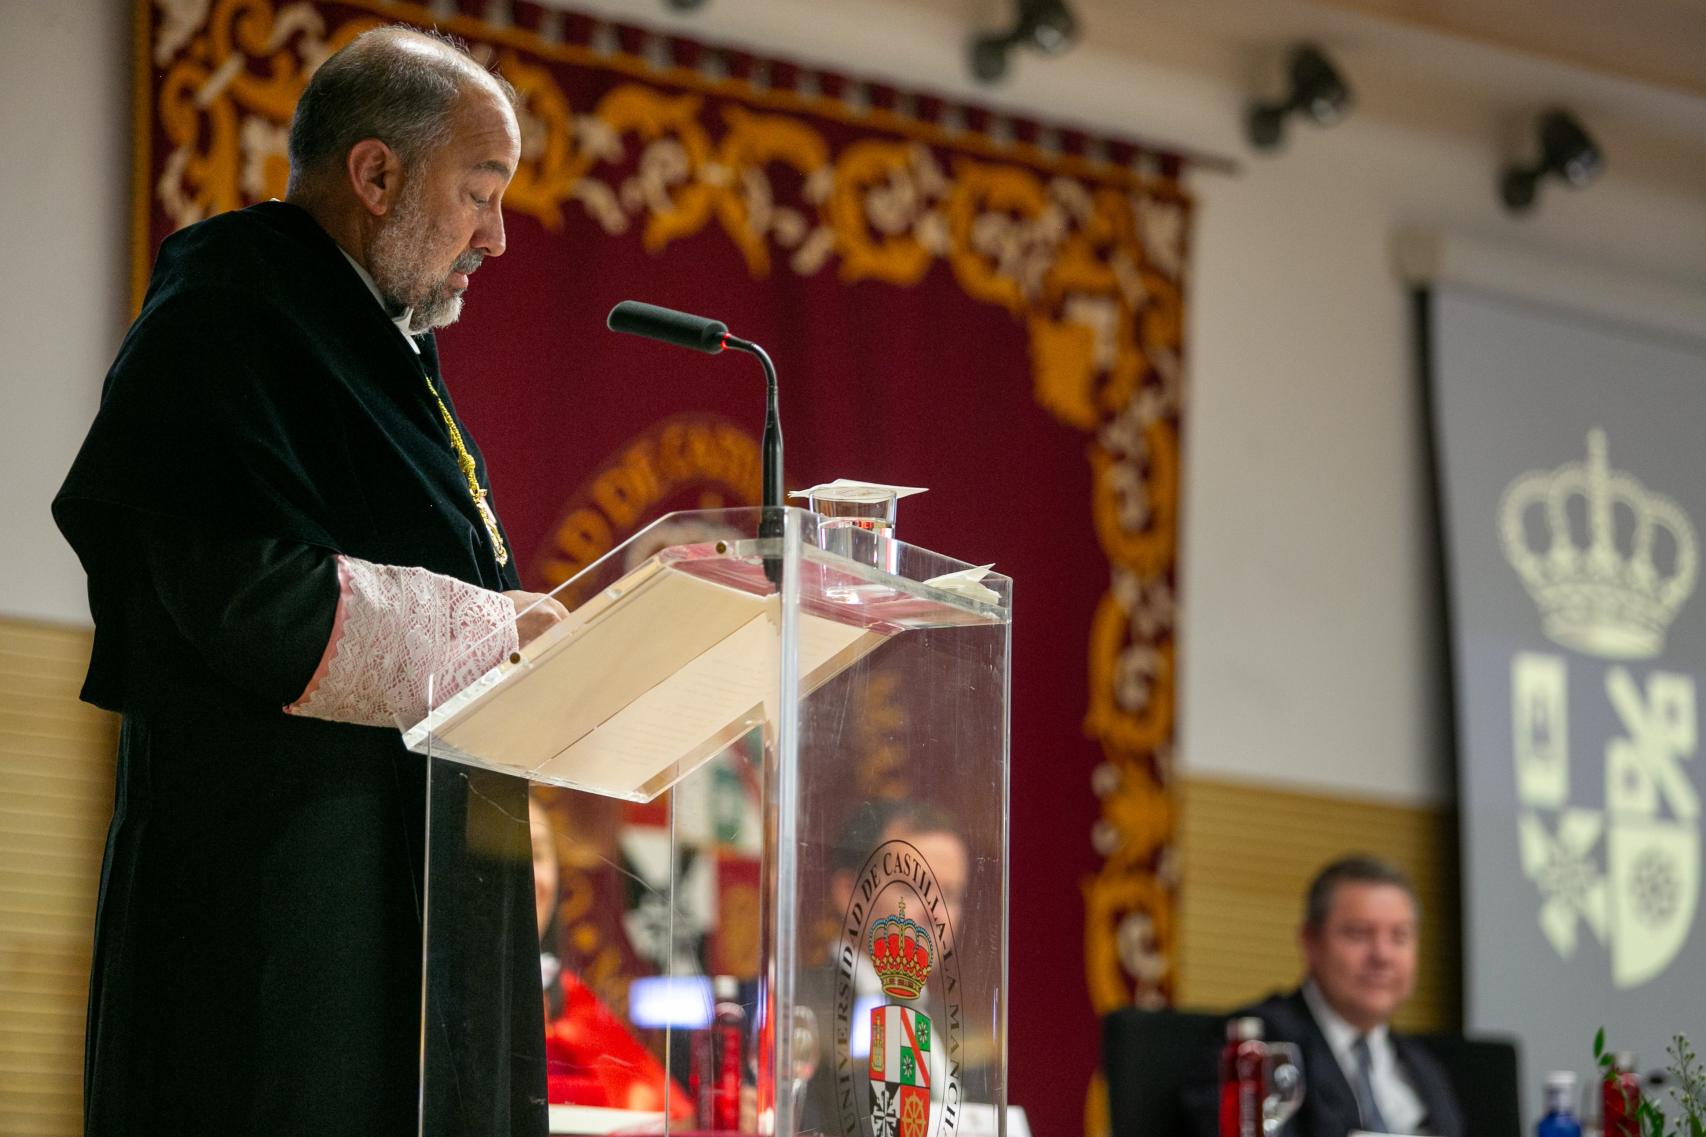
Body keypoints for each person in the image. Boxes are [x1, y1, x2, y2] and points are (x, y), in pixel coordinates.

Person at [52, 26, 568, 1136]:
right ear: (375, 175)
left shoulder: (378, 348)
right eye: (479, 192)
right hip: (279, 920)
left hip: (407, 905)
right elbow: (247, 600)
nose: (498, 236)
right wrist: (500, 634)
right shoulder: (230, 317)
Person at [1182, 855, 1464, 1137]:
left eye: (1399, 937)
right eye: (1359, 934)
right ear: (1310, 942)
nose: (1383, 955)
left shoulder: (1426, 1068)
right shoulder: (1254, 1049)